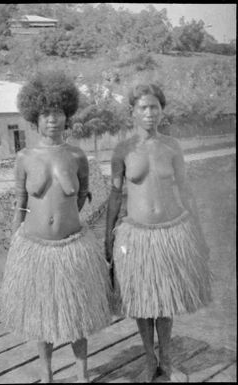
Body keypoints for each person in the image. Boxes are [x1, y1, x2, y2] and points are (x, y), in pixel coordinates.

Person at [1, 70, 112, 383]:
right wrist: (14, 239)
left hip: (72, 247)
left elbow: (81, 197)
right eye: (46, 113)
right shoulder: (24, 157)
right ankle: (47, 376)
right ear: (35, 117)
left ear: (68, 116)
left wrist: (65, 222)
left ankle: (81, 375)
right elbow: (21, 202)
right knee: (42, 318)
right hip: (34, 248)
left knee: (77, 315)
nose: (53, 119)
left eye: (59, 113)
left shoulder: (77, 156)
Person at [105, 82, 212, 382]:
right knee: (141, 299)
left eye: (154, 107)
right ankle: (149, 360)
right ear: (132, 112)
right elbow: (115, 196)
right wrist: (107, 237)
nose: (149, 113)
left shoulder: (172, 146)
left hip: (171, 232)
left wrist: (199, 233)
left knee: (164, 299)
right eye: (143, 108)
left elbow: (186, 190)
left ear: (162, 110)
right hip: (136, 235)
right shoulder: (123, 149)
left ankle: (167, 359)